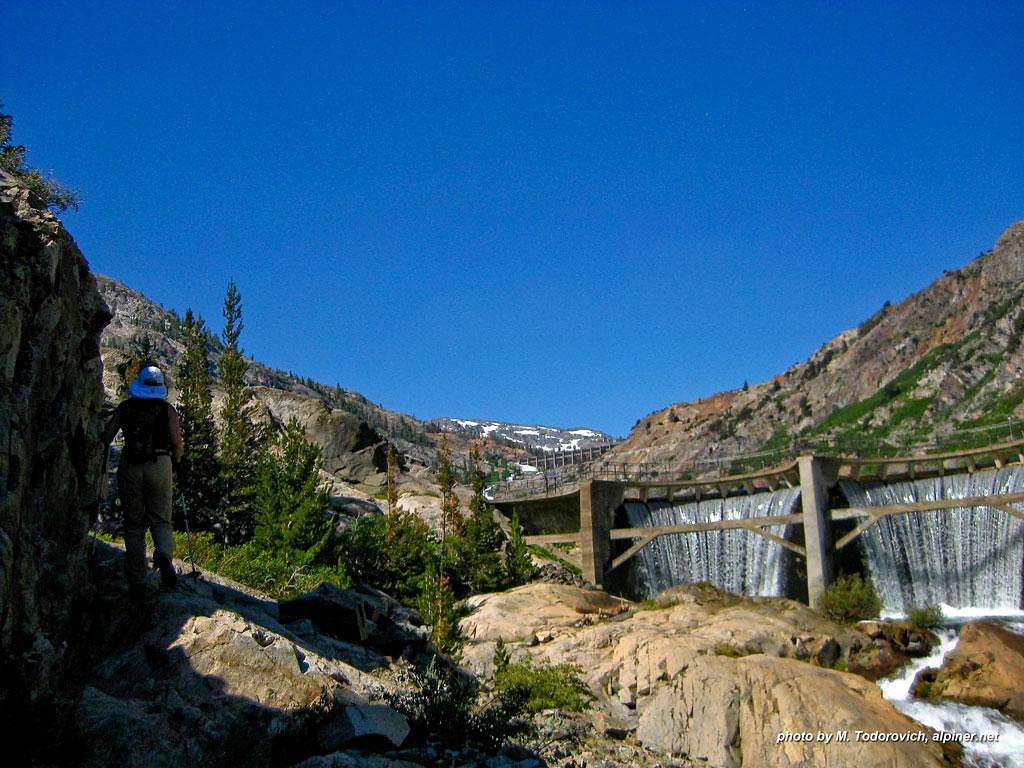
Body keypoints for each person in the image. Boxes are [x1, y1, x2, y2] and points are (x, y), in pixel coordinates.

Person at [103, 365, 185, 601]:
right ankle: (164, 557)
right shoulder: (166, 410)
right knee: (161, 519)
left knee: (134, 524)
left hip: (131, 465)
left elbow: (106, 436)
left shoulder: (126, 408)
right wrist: (177, 458)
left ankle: (137, 580)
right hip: (160, 463)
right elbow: (177, 442)